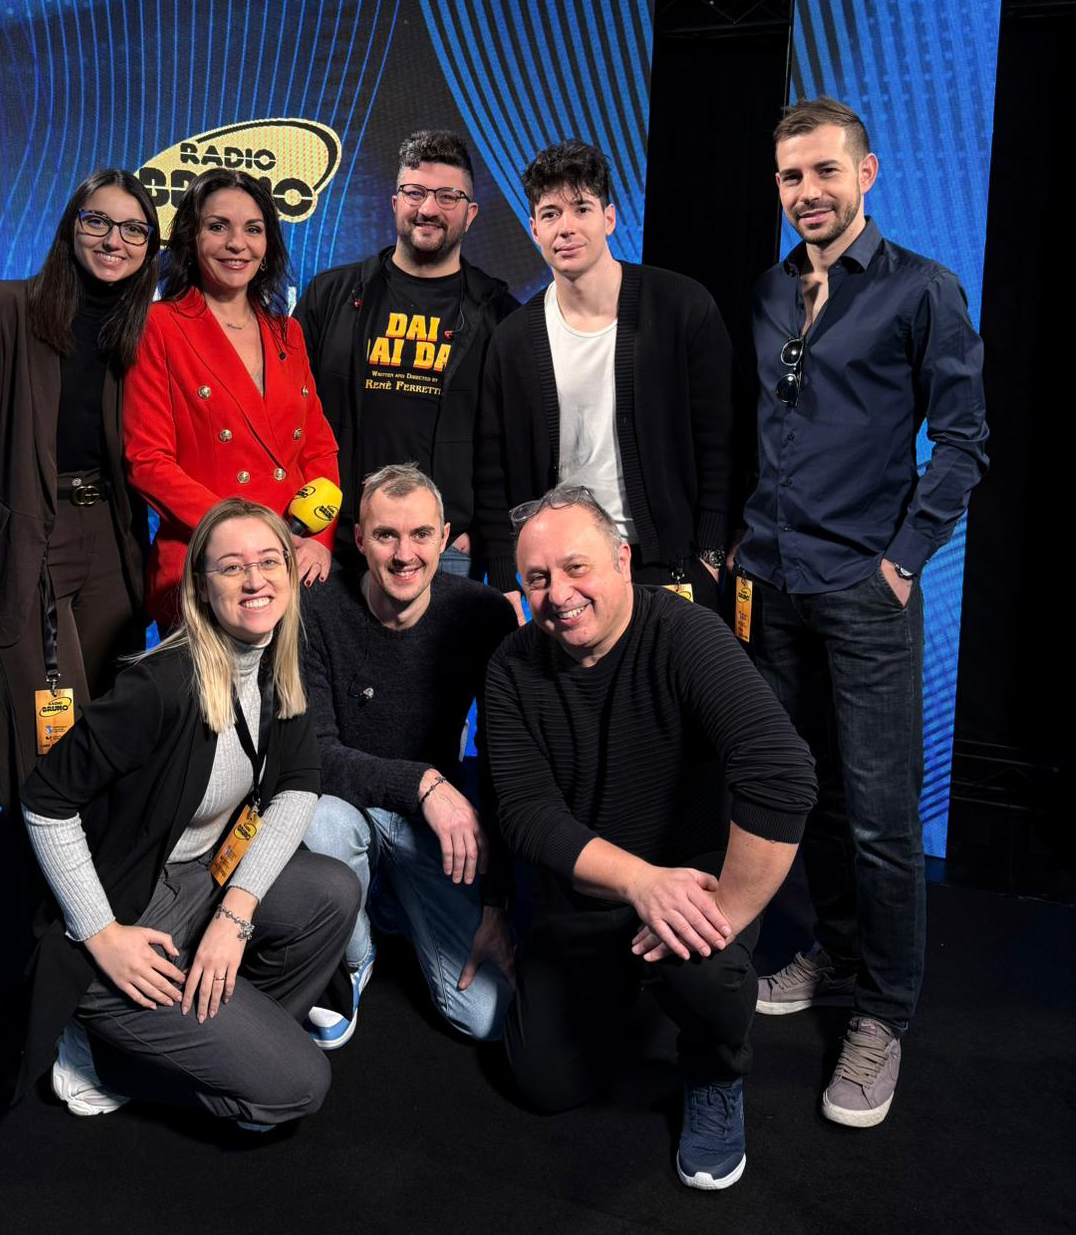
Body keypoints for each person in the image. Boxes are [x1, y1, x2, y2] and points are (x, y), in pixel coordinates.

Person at [735, 96, 990, 1127]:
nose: (809, 193)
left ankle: (882, 1013)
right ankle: (835, 952)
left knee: (884, 818)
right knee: (807, 796)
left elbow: (964, 441)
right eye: (792, 177)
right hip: (772, 584)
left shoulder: (923, 289)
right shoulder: (769, 290)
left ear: (867, 173)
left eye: (825, 172)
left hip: (862, 592)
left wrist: (902, 561)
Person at [484, 486, 816, 1191]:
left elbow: (783, 773)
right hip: (591, 890)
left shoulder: (686, 634)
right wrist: (639, 882)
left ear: (623, 559)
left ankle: (715, 1071)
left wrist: (724, 912)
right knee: (541, 1083)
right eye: (537, 578)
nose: (558, 594)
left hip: (692, 876)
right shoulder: (511, 665)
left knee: (704, 969)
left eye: (576, 567)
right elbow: (526, 813)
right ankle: (629, 979)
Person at [17, 498, 360, 1129]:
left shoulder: (276, 661)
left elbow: (299, 783)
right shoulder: (160, 686)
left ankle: (226, 1035)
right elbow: (44, 803)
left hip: (201, 881)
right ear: (201, 587)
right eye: (232, 567)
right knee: (298, 1087)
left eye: (269, 562)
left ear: (290, 572)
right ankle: (105, 1057)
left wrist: (236, 913)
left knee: (333, 890)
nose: (255, 580)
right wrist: (101, 934)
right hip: (130, 915)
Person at [0, 169, 159, 817]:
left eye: (133, 229)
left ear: (150, 247)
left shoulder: (144, 328)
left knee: (113, 724)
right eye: (98, 221)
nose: (114, 240)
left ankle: (105, 874)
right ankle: (45, 876)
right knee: (43, 738)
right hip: (29, 539)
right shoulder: (3, 308)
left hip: (113, 542)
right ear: (71, 226)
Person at [299, 463, 517, 1046]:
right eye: (385, 535)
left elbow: (501, 764)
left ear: (444, 538)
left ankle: (390, 897)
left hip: (429, 828)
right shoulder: (317, 608)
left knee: (488, 1017)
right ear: (358, 539)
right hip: (347, 806)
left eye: (420, 534)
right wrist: (424, 783)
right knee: (320, 822)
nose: (404, 554)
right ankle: (354, 952)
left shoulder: (482, 614)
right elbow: (315, 754)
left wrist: (495, 905)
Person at [476, 140, 736, 615]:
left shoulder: (682, 307)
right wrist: (505, 576)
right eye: (551, 214)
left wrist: (711, 556)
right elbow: (492, 470)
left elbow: (720, 442)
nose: (567, 227)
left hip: (668, 565)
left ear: (609, 218)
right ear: (534, 229)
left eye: (582, 208)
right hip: (563, 571)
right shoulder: (512, 340)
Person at [294, 130, 518, 576]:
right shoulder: (329, 296)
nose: (428, 208)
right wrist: (306, 529)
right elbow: (288, 417)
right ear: (395, 201)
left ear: (471, 214)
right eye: (415, 192)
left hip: (444, 549)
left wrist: (487, 539)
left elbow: (511, 445)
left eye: (448, 196)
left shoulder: (500, 316)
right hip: (334, 543)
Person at [124, 168, 339, 628]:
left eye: (253, 229)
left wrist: (319, 540)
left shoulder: (289, 332)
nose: (237, 244)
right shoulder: (159, 326)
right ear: (191, 238)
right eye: (218, 226)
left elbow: (319, 450)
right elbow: (148, 461)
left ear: (268, 246)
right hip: (206, 567)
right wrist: (238, 534)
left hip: (288, 566)